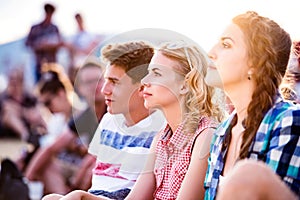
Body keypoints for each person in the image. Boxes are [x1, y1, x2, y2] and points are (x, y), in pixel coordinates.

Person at [42, 40, 166, 200]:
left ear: (141, 87)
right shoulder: (109, 120)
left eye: (114, 82)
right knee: (50, 198)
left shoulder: (161, 128)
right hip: (97, 195)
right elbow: (97, 177)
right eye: (105, 80)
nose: (103, 90)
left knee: (75, 197)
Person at [204, 11, 299, 199]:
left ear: (255, 64)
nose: (211, 52)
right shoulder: (222, 132)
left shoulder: (289, 121)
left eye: (226, 44)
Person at [25, 62, 107, 195]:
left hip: (103, 171)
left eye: (100, 79)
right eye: (89, 82)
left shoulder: (115, 112)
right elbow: (51, 148)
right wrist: (26, 180)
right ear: (80, 88)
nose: (96, 85)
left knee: (93, 169)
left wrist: (76, 181)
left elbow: (98, 157)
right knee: (46, 163)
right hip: (83, 170)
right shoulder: (84, 117)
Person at [25, 3, 63, 81]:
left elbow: (60, 44)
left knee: (54, 88)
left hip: (53, 67)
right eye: (48, 12)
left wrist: (51, 46)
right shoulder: (35, 28)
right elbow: (27, 43)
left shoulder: (54, 28)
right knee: (40, 89)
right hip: (39, 66)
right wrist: (39, 45)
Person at [66, 13, 101, 84]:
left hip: (87, 64)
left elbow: (91, 50)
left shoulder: (90, 35)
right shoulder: (74, 36)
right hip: (77, 66)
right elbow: (71, 51)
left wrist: (78, 50)